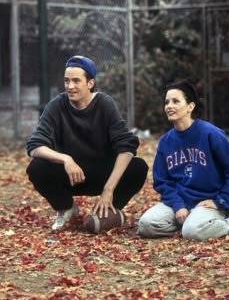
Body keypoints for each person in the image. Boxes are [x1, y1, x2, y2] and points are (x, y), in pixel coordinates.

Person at [26, 55, 148, 230]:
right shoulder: (56, 105)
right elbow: (35, 146)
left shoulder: (104, 104)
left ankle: (109, 210)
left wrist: (109, 189)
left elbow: (127, 146)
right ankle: (67, 207)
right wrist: (66, 159)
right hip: (71, 175)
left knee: (138, 167)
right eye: (66, 81)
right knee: (36, 168)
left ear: (90, 83)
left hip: (103, 172)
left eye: (76, 81)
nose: (70, 86)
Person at [137, 80, 229, 241]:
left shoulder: (211, 134)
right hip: (182, 201)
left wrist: (221, 200)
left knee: (192, 232)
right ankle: (194, 223)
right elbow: (162, 181)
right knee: (146, 225)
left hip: (209, 200)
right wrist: (178, 205)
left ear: (190, 107)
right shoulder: (165, 141)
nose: (169, 106)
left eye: (176, 101)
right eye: (167, 102)